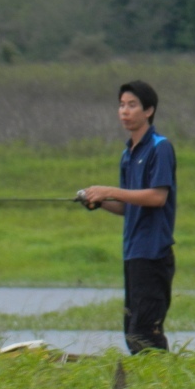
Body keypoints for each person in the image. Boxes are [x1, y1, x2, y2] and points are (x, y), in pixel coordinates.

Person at [78, 81, 177, 354]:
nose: (125, 111)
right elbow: (126, 207)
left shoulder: (160, 147)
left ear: (149, 111)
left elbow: (158, 197)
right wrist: (99, 202)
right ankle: (149, 387)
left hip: (153, 253)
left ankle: (163, 385)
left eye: (132, 105)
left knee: (145, 332)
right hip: (133, 253)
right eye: (121, 105)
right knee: (131, 331)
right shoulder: (127, 154)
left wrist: (109, 190)